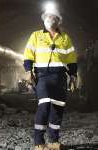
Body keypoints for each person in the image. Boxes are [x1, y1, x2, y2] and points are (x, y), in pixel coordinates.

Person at [23, 3, 78, 150]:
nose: (49, 18)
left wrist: (73, 76)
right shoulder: (36, 36)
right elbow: (28, 55)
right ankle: (38, 142)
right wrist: (29, 71)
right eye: (47, 16)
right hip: (42, 76)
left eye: (52, 16)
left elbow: (71, 59)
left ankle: (53, 141)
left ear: (58, 20)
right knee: (45, 105)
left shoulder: (65, 38)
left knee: (57, 109)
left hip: (60, 77)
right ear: (43, 19)